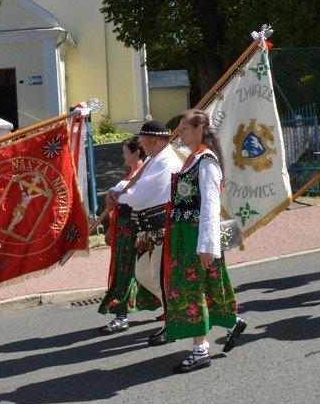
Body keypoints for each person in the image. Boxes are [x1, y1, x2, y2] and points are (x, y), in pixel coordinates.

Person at [165, 110, 246, 373]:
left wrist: (207, 247)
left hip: (197, 235)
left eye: (184, 128)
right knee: (209, 284)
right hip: (186, 233)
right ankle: (232, 323)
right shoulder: (192, 158)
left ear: (199, 130)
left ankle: (200, 350)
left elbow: (210, 205)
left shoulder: (206, 161)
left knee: (193, 289)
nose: (179, 133)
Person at [108, 121, 182, 346]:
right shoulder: (153, 159)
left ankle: (174, 323)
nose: (141, 145)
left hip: (160, 227)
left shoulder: (167, 160)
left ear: (155, 141)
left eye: (143, 141)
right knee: (143, 274)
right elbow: (134, 182)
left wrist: (120, 197)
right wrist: (116, 190)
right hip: (147, 228)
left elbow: (144, 193)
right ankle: (178, 309)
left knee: (160, 277)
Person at [97, 136, 161, 334]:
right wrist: (111, 228)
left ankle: (121, 317)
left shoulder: (143, 173)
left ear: (137, 153)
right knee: (133, 270)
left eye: (126, 152)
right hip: (123, 227)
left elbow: (135, 201)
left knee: (127, 271)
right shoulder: (132, 173)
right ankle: (166, 306)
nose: (123, 156)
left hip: (134, 229)